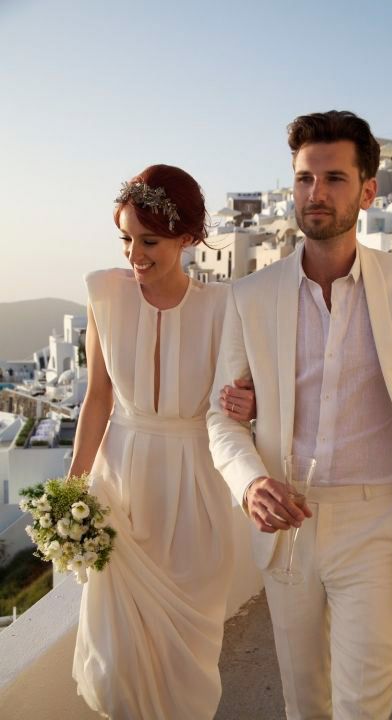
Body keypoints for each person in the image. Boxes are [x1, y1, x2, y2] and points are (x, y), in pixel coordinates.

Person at [207, 111, 392, 719]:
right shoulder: (249, 295)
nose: (314, 194)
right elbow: (221, 417)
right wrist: (250, 484)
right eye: (303, 179)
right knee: (304, 702)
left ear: (368, 190)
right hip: (285, 525)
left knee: (362, 706)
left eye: (334, 179)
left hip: (374, 525)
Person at [70, 164, 255, 720]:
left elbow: (243, 405)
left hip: (196, 495)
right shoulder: (104, 295)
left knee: (186, 662)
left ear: (187, 238)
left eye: (149, 240)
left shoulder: (227, 309)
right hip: (120, 493)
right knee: (118, 658)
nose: (134, 255)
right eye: (126, 238)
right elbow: (97, 398)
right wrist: (71, 489)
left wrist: (252, 407)